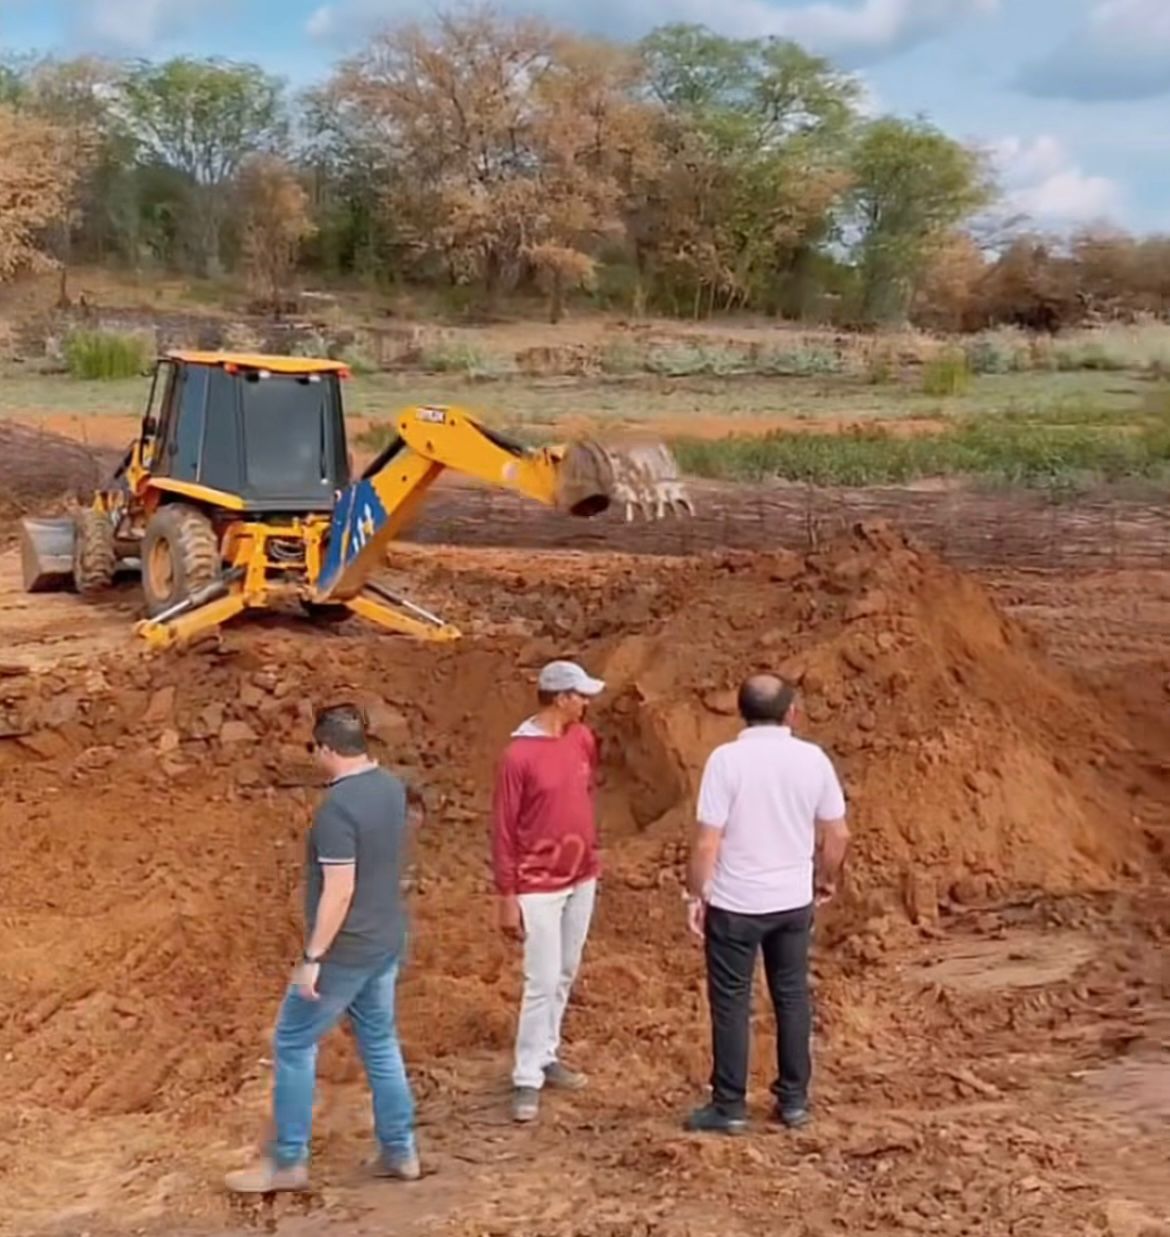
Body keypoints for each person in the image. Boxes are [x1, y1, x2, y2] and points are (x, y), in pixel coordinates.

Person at [225, 703, 419, 1193]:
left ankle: (287, 1161)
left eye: (316, 749)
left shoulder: (338, 809)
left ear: (327, 748)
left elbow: (339, 889)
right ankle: (401, 1151)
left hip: (346, 950)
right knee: (379, 1041)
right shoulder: (391, 787)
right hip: (386, 939)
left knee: (292, 1042)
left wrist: (313, 959)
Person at [684, 674, 849, 1135]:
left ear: (740, 711)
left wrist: (697, 893)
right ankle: (794, 1101)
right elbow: (837, 833)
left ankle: (730, 1106)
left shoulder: (726, 761)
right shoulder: (812, 760)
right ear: (791, 712)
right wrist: (825, 878)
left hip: (736, 904)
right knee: (792, 996)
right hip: (792, 902)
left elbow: (705, 844)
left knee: (732, 1003)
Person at [492, 659, 604, 1124]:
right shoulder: (518, 756)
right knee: (540, 978)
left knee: (565, 969)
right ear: (560, 698)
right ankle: (526, 1076)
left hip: (581, 873)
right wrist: (506, 893)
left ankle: (546, 1053)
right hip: (538, 881)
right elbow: (502, 828)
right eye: (580, 695)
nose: (586, 703)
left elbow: (584, 790)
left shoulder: (581, 738)